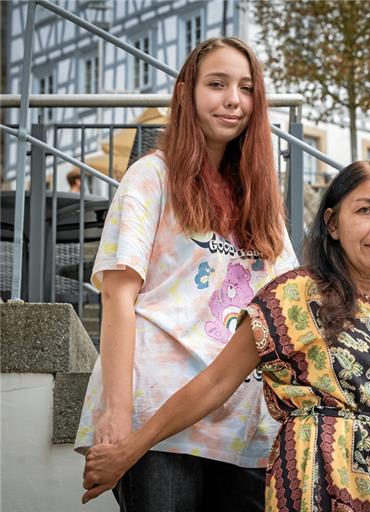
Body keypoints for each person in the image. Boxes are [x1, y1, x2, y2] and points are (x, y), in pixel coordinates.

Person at [81, 161, 370, 511]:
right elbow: (216, 383)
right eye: (365, 210)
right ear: (331, 223)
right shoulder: (294, 295)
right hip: (321, 491)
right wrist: (134, 446)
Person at [73, 37, 300, 512]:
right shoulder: (150, 176)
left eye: (246, 87)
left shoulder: (263, 203)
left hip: (243, 423)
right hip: (153, 409)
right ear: (186, 92)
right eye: (216, 84)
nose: (233, 99)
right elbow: (118, 296)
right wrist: (115, 415)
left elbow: (289, 306)